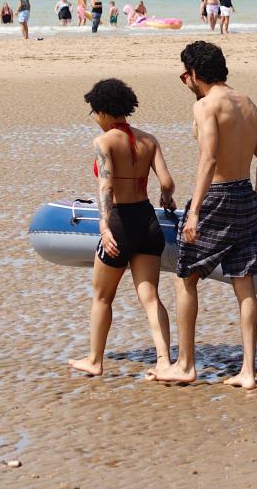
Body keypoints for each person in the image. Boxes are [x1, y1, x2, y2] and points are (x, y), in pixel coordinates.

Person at [150, 41, 257, 390]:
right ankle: (249, 371)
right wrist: (256, 199)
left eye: (183, 73)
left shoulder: (206, 106)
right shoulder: (247, 102)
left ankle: (186, 364)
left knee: (184, 276)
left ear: (193, 73)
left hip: (216, 196)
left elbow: (209, 160)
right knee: (244, 282)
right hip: (246, 195)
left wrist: (195, 213)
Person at [68, 78, 176, 377]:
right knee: (151, 295)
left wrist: (104, 226)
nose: (94, 119)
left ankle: (94, 360)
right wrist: (166, 198)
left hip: (120, 222)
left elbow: (106, 185)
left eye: (94, 112)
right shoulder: (149, 140)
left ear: (103, 110)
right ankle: (165, 361)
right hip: (147, 221)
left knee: (102, 296)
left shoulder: (104, 142)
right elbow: (167, 183)